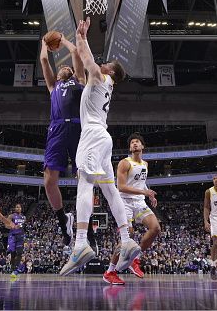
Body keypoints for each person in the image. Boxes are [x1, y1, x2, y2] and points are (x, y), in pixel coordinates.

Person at [60, 17, 133, 276]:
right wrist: (79, 42)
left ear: (111, 72)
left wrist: (81, 36)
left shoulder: (101, 78)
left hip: (91, 136)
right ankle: (126, 239)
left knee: (85, 183)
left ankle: (80, 243)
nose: (103, 64)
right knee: (110, 190)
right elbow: (85, 64)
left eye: (107, 64)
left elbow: (86, 57)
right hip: (104, 138)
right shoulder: (104, 83)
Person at [40, 30, 87, 246]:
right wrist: (44, 43)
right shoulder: (53, 87)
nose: (63, 68)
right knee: (49, 180)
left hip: (78, 128)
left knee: (84, 180)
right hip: (56, 130)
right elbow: (43, 59)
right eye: (61, 68)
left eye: (65, 67)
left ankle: (86, 228)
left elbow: (76, 51)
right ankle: (63, 220)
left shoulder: (79, 79)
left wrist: (62, 40)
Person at [104, 133, 161, 285]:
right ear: (130, 148)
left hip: (139, 201)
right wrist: (144, 192)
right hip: (124, 202)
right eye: (132, 143)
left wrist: (149, 195)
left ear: (143, 146)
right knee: (127, 236)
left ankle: (135, 259)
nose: (135, 144)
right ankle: (110, 271)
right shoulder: (124, 163)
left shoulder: (145, 164)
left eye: (137, 142)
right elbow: (121, 187)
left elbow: (141, 183)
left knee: (155, 228)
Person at [7, 203, 26, 281]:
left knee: (20, 253)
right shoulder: (11, 216)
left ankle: (15, 270)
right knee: (13, 254)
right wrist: (13, 226)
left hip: (20, 236)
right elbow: (6, 225)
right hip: (12, 236)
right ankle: (12, 269)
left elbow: (23, 228)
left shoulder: (24, 217)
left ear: (21, 209)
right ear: (15, 208)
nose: (18, 208)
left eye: (19, 207)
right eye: (16, 207)